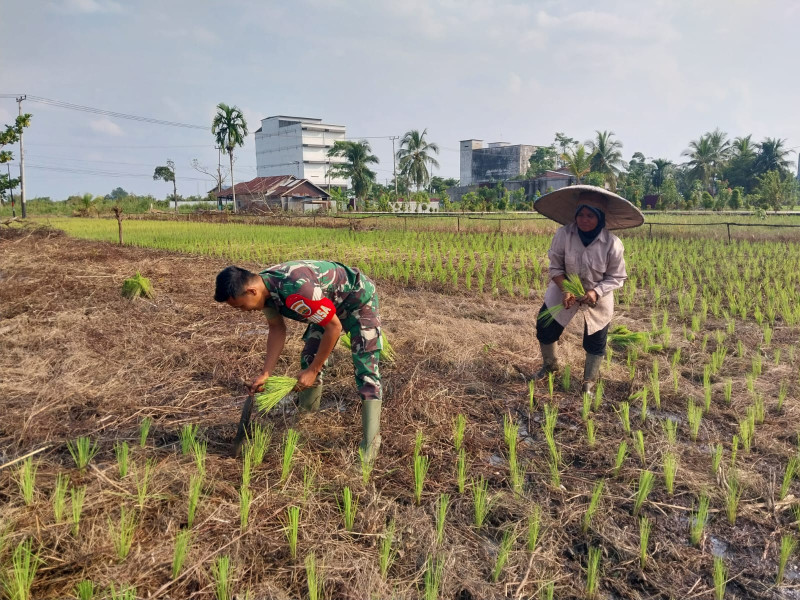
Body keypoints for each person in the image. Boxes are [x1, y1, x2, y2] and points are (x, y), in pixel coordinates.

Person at [214, 260, 383, 461]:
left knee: (365, 369)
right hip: (326, 305)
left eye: (241, 306)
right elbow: (277, 328)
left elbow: (334, 328)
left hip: (357, 300)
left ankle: (371, 443)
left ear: (251, 291)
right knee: (309, 357)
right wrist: (266, 373)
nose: (244, 311)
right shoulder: (265, 291)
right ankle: (307, 416)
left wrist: (313, 371)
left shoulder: (296, 289)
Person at [533, 186, 642, 394]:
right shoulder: (564, 234)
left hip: (597, 295)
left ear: (600, 218)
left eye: (590, 215)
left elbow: (616, 276)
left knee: (596, 339)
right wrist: (565, 289)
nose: (584, 219)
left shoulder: (612, 244)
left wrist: (596, 292)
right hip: (563, 288)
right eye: (580, 214)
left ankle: (589, 383)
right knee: (544, 327)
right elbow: (555, 267)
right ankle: (549, 367)